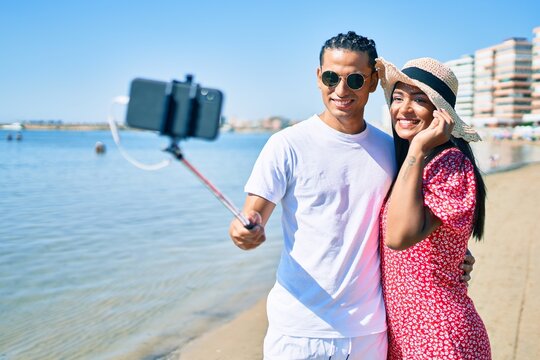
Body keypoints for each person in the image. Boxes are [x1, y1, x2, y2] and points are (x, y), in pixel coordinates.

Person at [229, 32, 474, 359]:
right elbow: (253, 215)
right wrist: (246, 232)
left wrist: (457, 254)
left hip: (368, 331)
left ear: (373, 82)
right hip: (299, 329)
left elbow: (419, 215)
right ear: (319, 77)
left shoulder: (392, 152)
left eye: (355, 79)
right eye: (331, 77)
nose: (341, 90)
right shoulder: (286, 144)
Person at [375, 57, 491, 359]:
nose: (404, 108)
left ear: (442, 114)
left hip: (439, 335)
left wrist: (418, 147)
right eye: (398, 97)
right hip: (410, 334)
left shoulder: (448, 163)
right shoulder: (413, 166)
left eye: (419, 99)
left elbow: (398, 238)